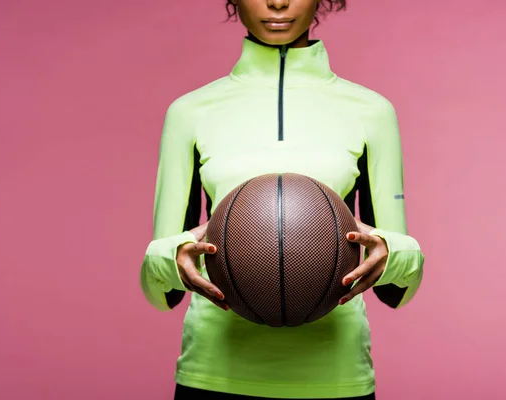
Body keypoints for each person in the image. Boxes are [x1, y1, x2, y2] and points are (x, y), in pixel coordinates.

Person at [140, 0, 425, 399]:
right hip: (215, 373)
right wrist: (173, 258)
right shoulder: (190, 112)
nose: (277, 2)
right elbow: (160, 289)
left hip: (336, 376)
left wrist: (391, 252)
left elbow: (399, 286)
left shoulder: (372, 111)